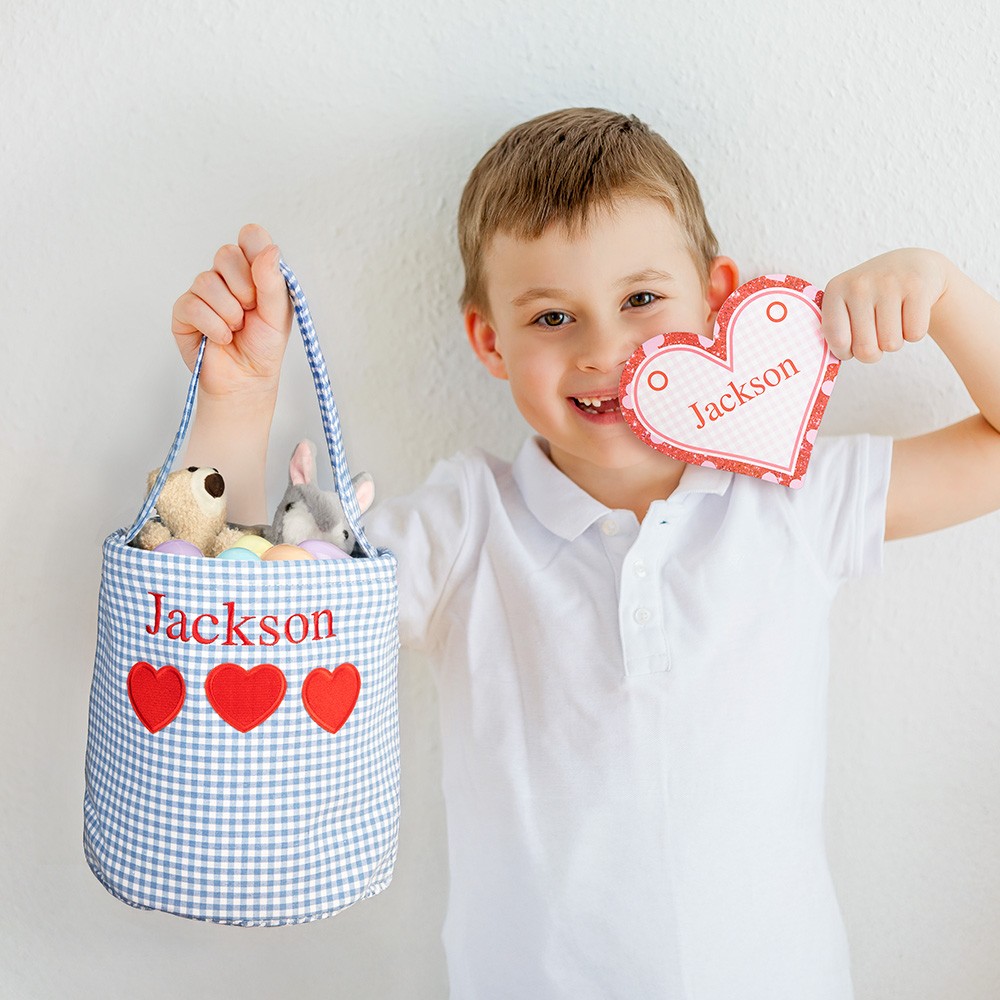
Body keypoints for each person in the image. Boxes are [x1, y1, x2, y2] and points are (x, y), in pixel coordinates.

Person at [171, 108, 1000, 999]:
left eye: (641, 300)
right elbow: (226, 605)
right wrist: (235, 403)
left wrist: (945, 293)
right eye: (553, 316)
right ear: (491, 341)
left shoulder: (795, 494)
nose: (606, 351)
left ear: (719, 298)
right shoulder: (464, 531)